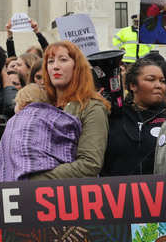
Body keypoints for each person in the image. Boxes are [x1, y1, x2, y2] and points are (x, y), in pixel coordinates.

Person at [26, 41, 110, 180]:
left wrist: (37, 179)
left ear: (77, 67)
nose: (56, 67)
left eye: (63, 60)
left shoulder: (92, 107)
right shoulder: (40, 106)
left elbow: (90, 164)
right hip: (35, 195)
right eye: (51, 62)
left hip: (72, 195)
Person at [0, 84, 82, 182]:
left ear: (23, 103)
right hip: (54, 182)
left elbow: (6, 163)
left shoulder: (14, 121)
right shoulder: (56, 118)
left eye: (16, 104)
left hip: (18, 186)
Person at [102, 57, 166, 176]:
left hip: (157, 192)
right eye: (151, 79)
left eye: (162, 81)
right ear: (133, 85)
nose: (159, 85)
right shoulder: (113, 114)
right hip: (115, 191)